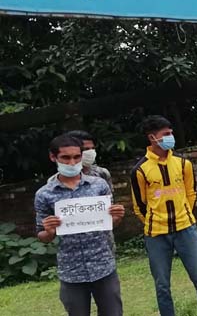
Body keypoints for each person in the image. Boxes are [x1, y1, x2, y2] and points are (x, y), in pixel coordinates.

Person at [130, 115, 197, 316]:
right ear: (152, 138)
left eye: (171, 133)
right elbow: (139, 205)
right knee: (162, 286)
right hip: (156, 235)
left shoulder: (183, 164)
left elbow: (191, 193)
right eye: (166, 134)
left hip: (186, 229)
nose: (171, 137)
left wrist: (183, 215)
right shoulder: (140, 170)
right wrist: (154, 222)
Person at [34, 134, 125, 316]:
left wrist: (117, 217)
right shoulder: (44, 194)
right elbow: (42, 236)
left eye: (76, 157)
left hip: (103, 265)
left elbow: (109, 224)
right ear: (53, 158)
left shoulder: (99, 185)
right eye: (65, 158)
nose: (72, 162)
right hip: (71, 270)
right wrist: (49, 231)